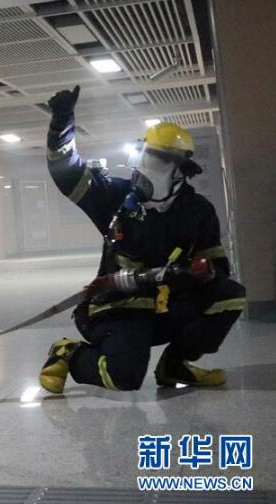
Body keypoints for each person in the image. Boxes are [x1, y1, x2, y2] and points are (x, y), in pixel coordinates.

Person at [38, 85, 246, 394]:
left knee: (230, 294)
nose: (147, 168)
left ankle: (175, 365)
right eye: (145, 157)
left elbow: (217, 267)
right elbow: (67, 173)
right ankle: (69, 352)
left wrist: (200, 272)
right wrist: (61, 124)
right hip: (119, 305)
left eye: (159, 161)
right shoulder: (115, 197)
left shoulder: (197, 210)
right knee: (123, 377)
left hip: (167, 302)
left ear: (181, 170)